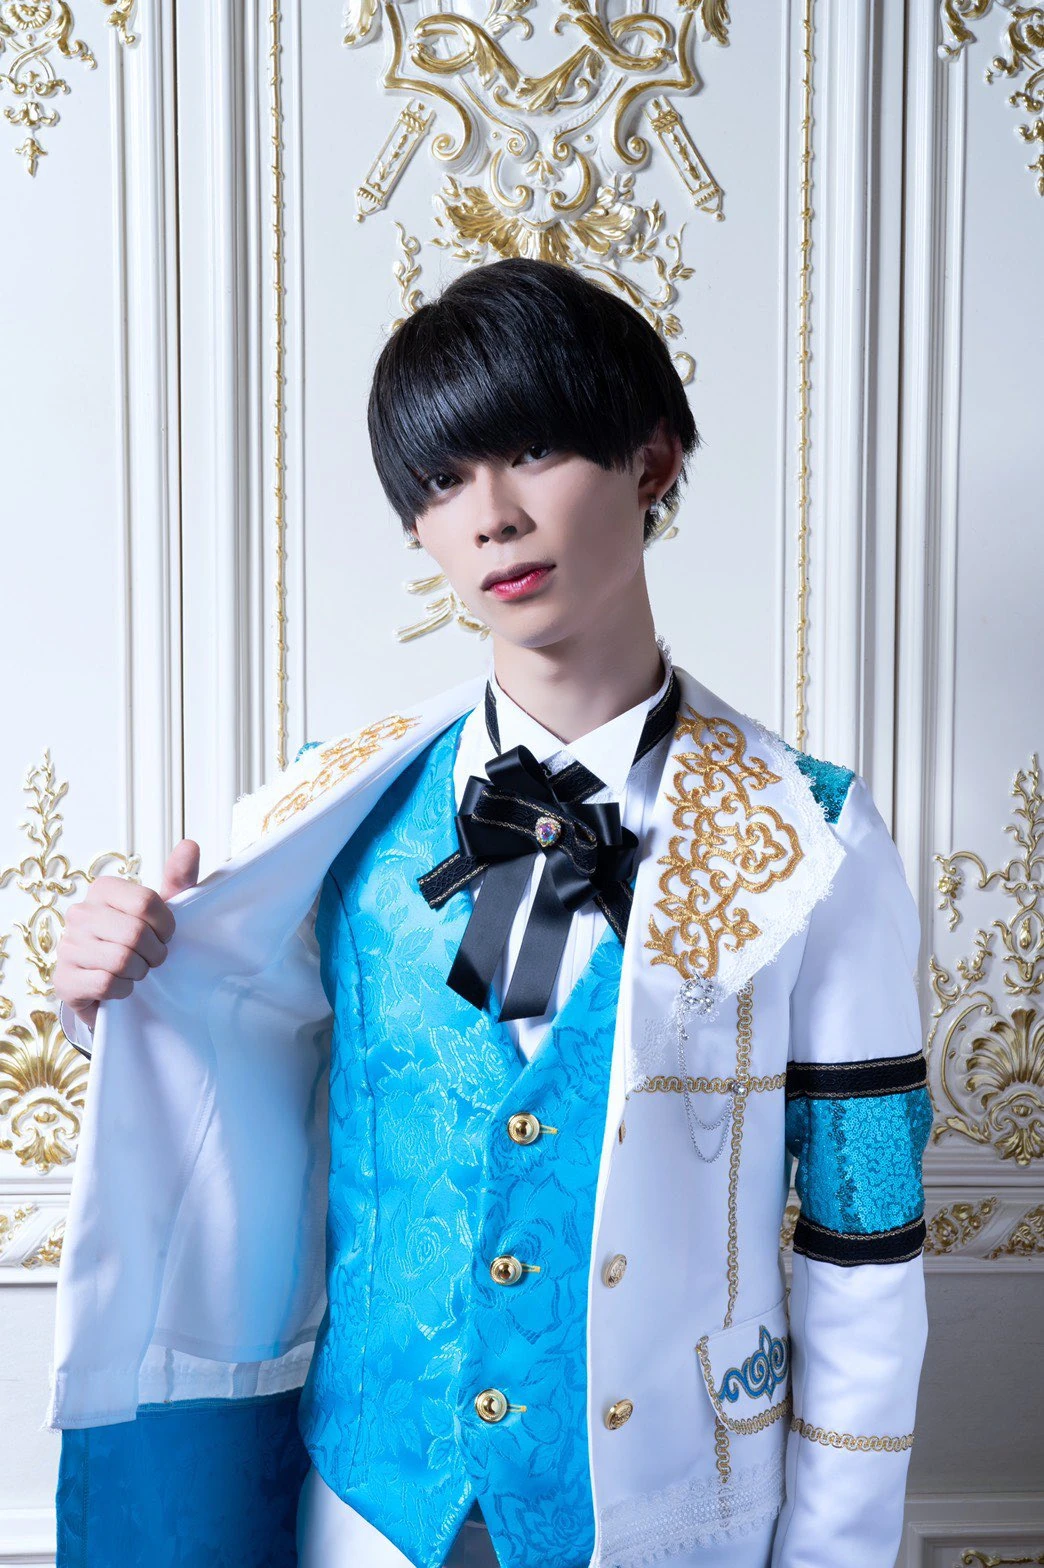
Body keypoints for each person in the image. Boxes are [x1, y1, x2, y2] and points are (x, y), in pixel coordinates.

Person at [51, 256, 931, 1568]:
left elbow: (866, 1243)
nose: (493, 518)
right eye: (441, 481)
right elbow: (223, 1069)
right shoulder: (321, 813)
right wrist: (110, 990)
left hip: (676, 1527)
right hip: (369, 1518)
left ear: (653, 459)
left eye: (531, 451)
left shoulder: (819, 838)